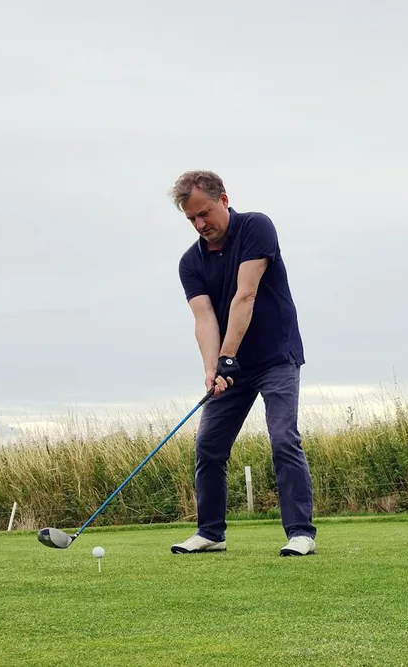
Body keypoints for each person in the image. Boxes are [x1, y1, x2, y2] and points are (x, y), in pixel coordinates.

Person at [168, 170, 317, 557]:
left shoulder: (256, 227)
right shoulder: (190, 263)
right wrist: (212, 368)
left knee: (284, 437)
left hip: (275, 356)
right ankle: (211, 533)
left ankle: (300, 533)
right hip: (231, 364)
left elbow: (244, 296)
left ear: (223, 200)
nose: (200, 225)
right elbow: (204, 319)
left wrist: (227, 356)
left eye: (204, 214)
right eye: (191, 220)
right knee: (209, 445)